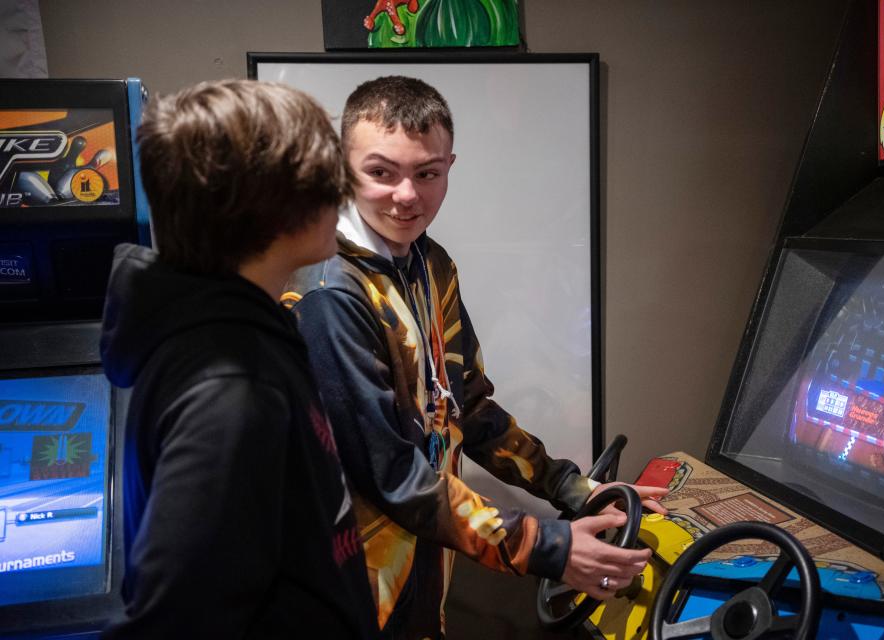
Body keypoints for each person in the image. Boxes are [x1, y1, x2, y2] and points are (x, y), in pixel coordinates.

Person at [284, 75, 668, 639]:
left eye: (428, 173)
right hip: (349, 595)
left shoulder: (430, 264)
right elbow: (392, 477)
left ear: (449, 167)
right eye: (381, 172)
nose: (407, 195)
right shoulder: (327, 294)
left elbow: (468, 408)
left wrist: (574, 491)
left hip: (422, 576)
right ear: (342, 167)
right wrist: (549, 547)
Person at [99, 79, 379, 638]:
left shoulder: (242, 337)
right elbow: (169, 621)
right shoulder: (231, 388)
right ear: (275, 209)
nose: (341, 201)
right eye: (325, 185)